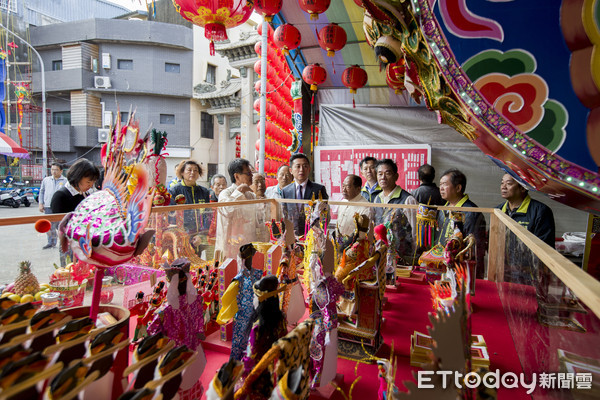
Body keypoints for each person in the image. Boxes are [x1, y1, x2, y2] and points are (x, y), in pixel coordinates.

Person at [437, 168, 487, 278]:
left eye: (445, 184)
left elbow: (475, 247)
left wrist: (475, 275)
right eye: (440, 184)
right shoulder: (442, 209)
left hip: (461, 269)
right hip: (443, 264)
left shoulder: (471, 211)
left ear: (458, 188)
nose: (441, 188)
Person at [50, 158, 99, 268]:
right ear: (77, 178)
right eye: (88, 181)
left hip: (86, 243)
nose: (91, 185)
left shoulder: (85, 194)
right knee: (71, 273)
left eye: (93, 182)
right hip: (70, 244)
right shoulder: (60, 196)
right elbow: (59, 225)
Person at [214, 158, 261, 262]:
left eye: (251, 173)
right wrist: (239, 191)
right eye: (248, 173)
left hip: (249, 246)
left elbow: (257, 221)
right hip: (230, 247)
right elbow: (227, 211)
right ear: (236, 176)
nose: (251, 176)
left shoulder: (251, 195)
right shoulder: (225, 194)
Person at [497, 173, 555, 247]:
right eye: (502, 183)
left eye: (509, 183)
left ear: (523, 188)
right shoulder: (498, 210)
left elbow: (545, 246)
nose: (503, 187)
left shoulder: (541, 211)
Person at [282, 153, 329, 236]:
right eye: (298, 166)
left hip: (313, 236)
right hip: (293, 236)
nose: (301, 170)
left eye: (305, 166)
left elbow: (325, 215)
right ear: (291, 170)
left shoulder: (319, 189)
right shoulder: (286, 191)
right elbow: (285, 214)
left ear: (309, 169)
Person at [373, 159, 417, 241]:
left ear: (396, 176)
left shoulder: (407, 200)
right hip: (380, 250)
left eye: (387, 173)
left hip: (401, 251)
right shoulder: (377, 199)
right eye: (380, 174)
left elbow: (415, 231)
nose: (383, 177)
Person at [38, 163, 67, 249]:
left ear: (61, 171)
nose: (54, 171)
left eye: (56, 170)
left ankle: (64, 242)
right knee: (49, 226)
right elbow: (42, 191)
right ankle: (51, 242)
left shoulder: (65, 181)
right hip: (48, 206)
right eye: (52, 169)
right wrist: (41, 203)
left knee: (61, 226)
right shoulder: (46, 180)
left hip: (60, 207)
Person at [335, 174, 373, 240]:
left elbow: (364, 235)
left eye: (348, 187)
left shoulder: (365, 207)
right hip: (338, 243)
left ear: (358, 189)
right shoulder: (342, 202)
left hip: (354, 246)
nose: (344, 190)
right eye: (343, 186)